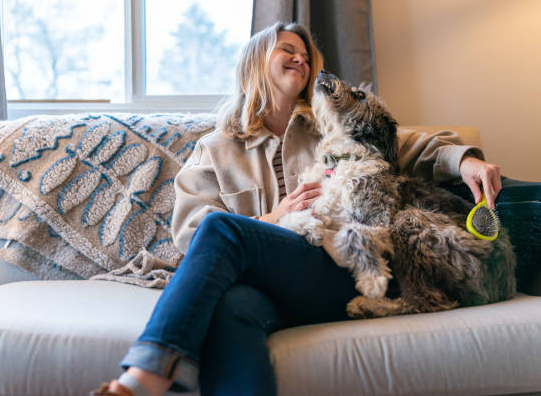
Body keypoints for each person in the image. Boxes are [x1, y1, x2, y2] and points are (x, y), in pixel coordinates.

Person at [92, 21, 501, 396]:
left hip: (337, 270)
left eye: (306, 56)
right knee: (231, 307)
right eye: (287, 49)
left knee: (224, 229)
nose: (301, 59)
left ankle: (142, 379)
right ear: (256, 61)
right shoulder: (215, 149)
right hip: (264, 288)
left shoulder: (334, 125)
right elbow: (190, 234)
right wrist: (272, 219)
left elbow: (409, 142)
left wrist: (465, 160)